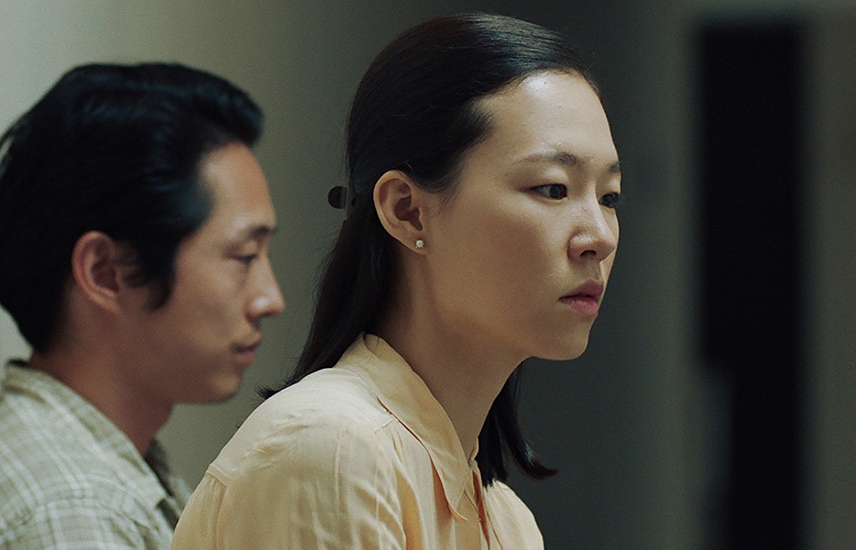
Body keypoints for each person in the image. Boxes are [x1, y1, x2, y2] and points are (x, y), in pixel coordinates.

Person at [173, 12, 621, 550]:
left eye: (609, 197)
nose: (599, 236)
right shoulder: (332, 450)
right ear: (407, 210)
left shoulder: (508, 520)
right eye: (552, 188)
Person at [0, 62, 285, 549]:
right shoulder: (69, 511)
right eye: (244, 256)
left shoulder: (106, 476)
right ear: (105, 272)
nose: (271, 299)